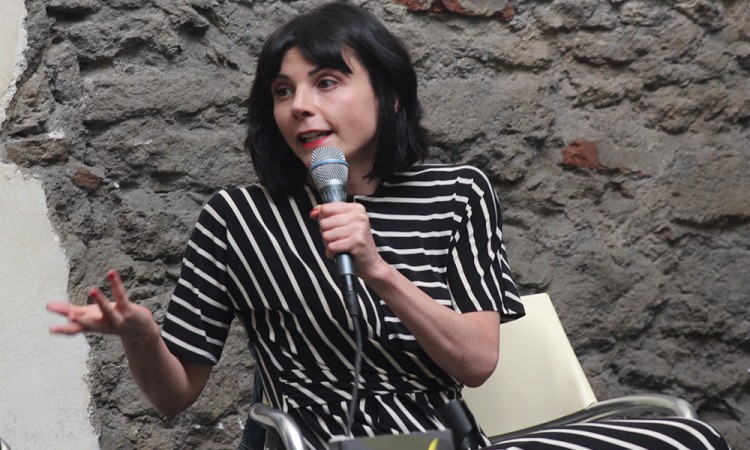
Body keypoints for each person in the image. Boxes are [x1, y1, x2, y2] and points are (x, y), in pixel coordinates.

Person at [47, 2, 731, 450]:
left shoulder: (458, 194)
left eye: (326, 82)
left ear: (390, 96)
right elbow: (174, 397)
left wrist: (377, 269)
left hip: (444, 438)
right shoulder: (238, 218)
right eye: (283, 91)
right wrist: (140, 335)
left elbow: (477, 362)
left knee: (686, 437)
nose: (300, 106)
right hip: (315, 439)